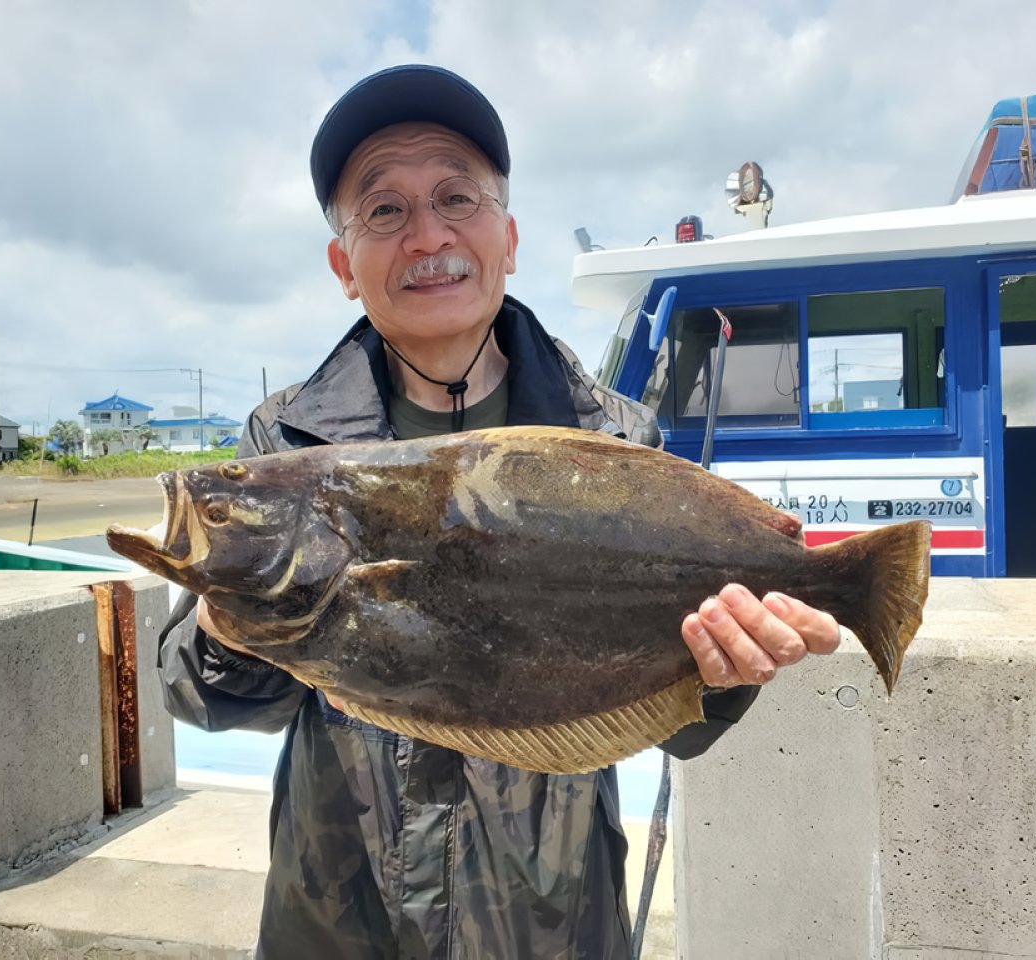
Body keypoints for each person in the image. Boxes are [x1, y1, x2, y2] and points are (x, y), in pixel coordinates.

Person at [159, 64, 841, 960]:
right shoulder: (284, 441)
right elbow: (197, 691)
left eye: (456, 197)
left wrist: (721, 678)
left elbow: (675, 722)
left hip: (551, 920)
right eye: (385, 210)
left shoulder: (616, 436)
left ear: (509, 238)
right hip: (339, 919)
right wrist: (228, 619)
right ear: (343, 264)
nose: (428, 234)